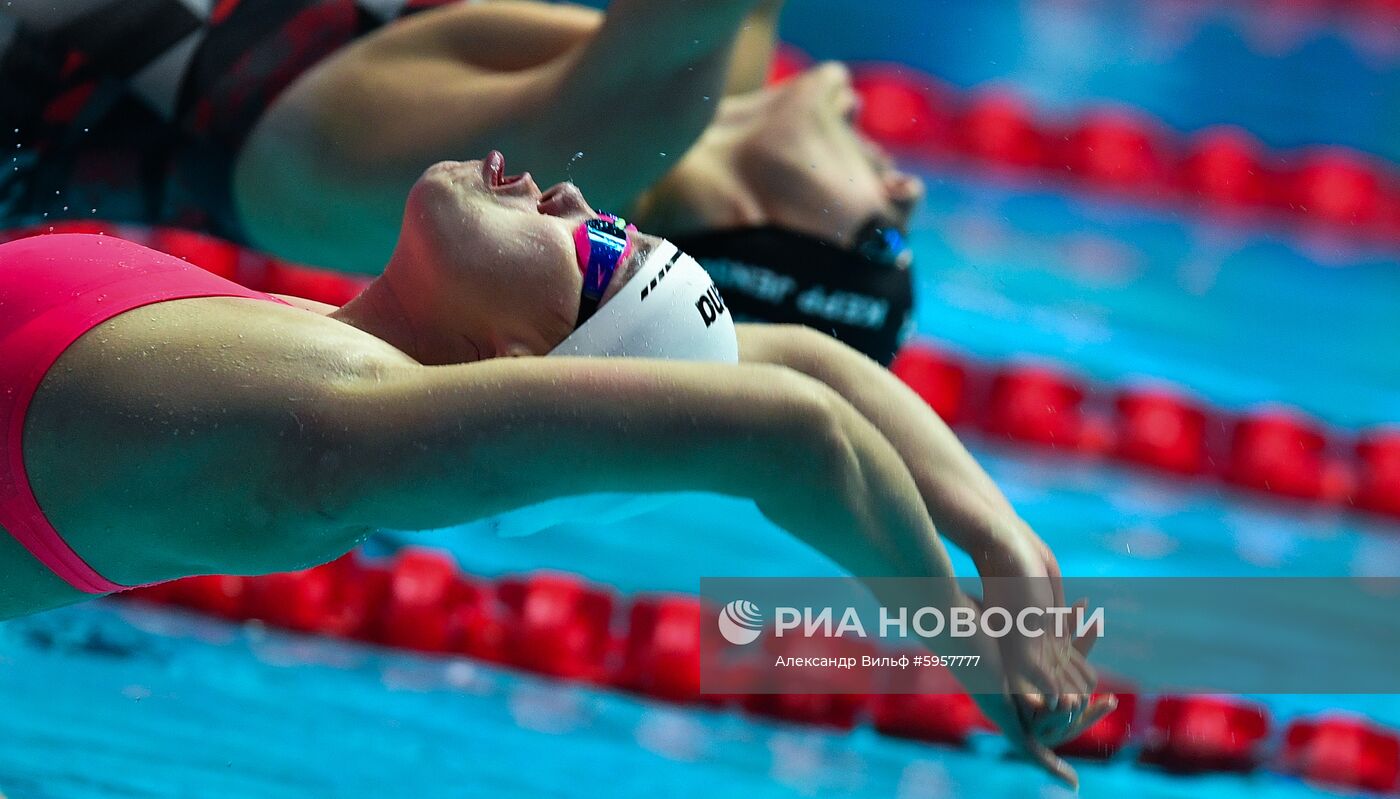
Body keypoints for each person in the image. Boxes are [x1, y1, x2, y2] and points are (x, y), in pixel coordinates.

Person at [0, 152, 1109, 785]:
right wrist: (1006, 545)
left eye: (598, 251)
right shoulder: (322, 348)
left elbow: (789, 424)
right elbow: (805, 359)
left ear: (525, 367)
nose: (574, 199)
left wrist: (963, 641)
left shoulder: (320, 426)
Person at [0, 0, 921, 361]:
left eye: (879, 240)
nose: (909, 193)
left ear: (764, 243)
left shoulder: (607, 137)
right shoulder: (676, 107)